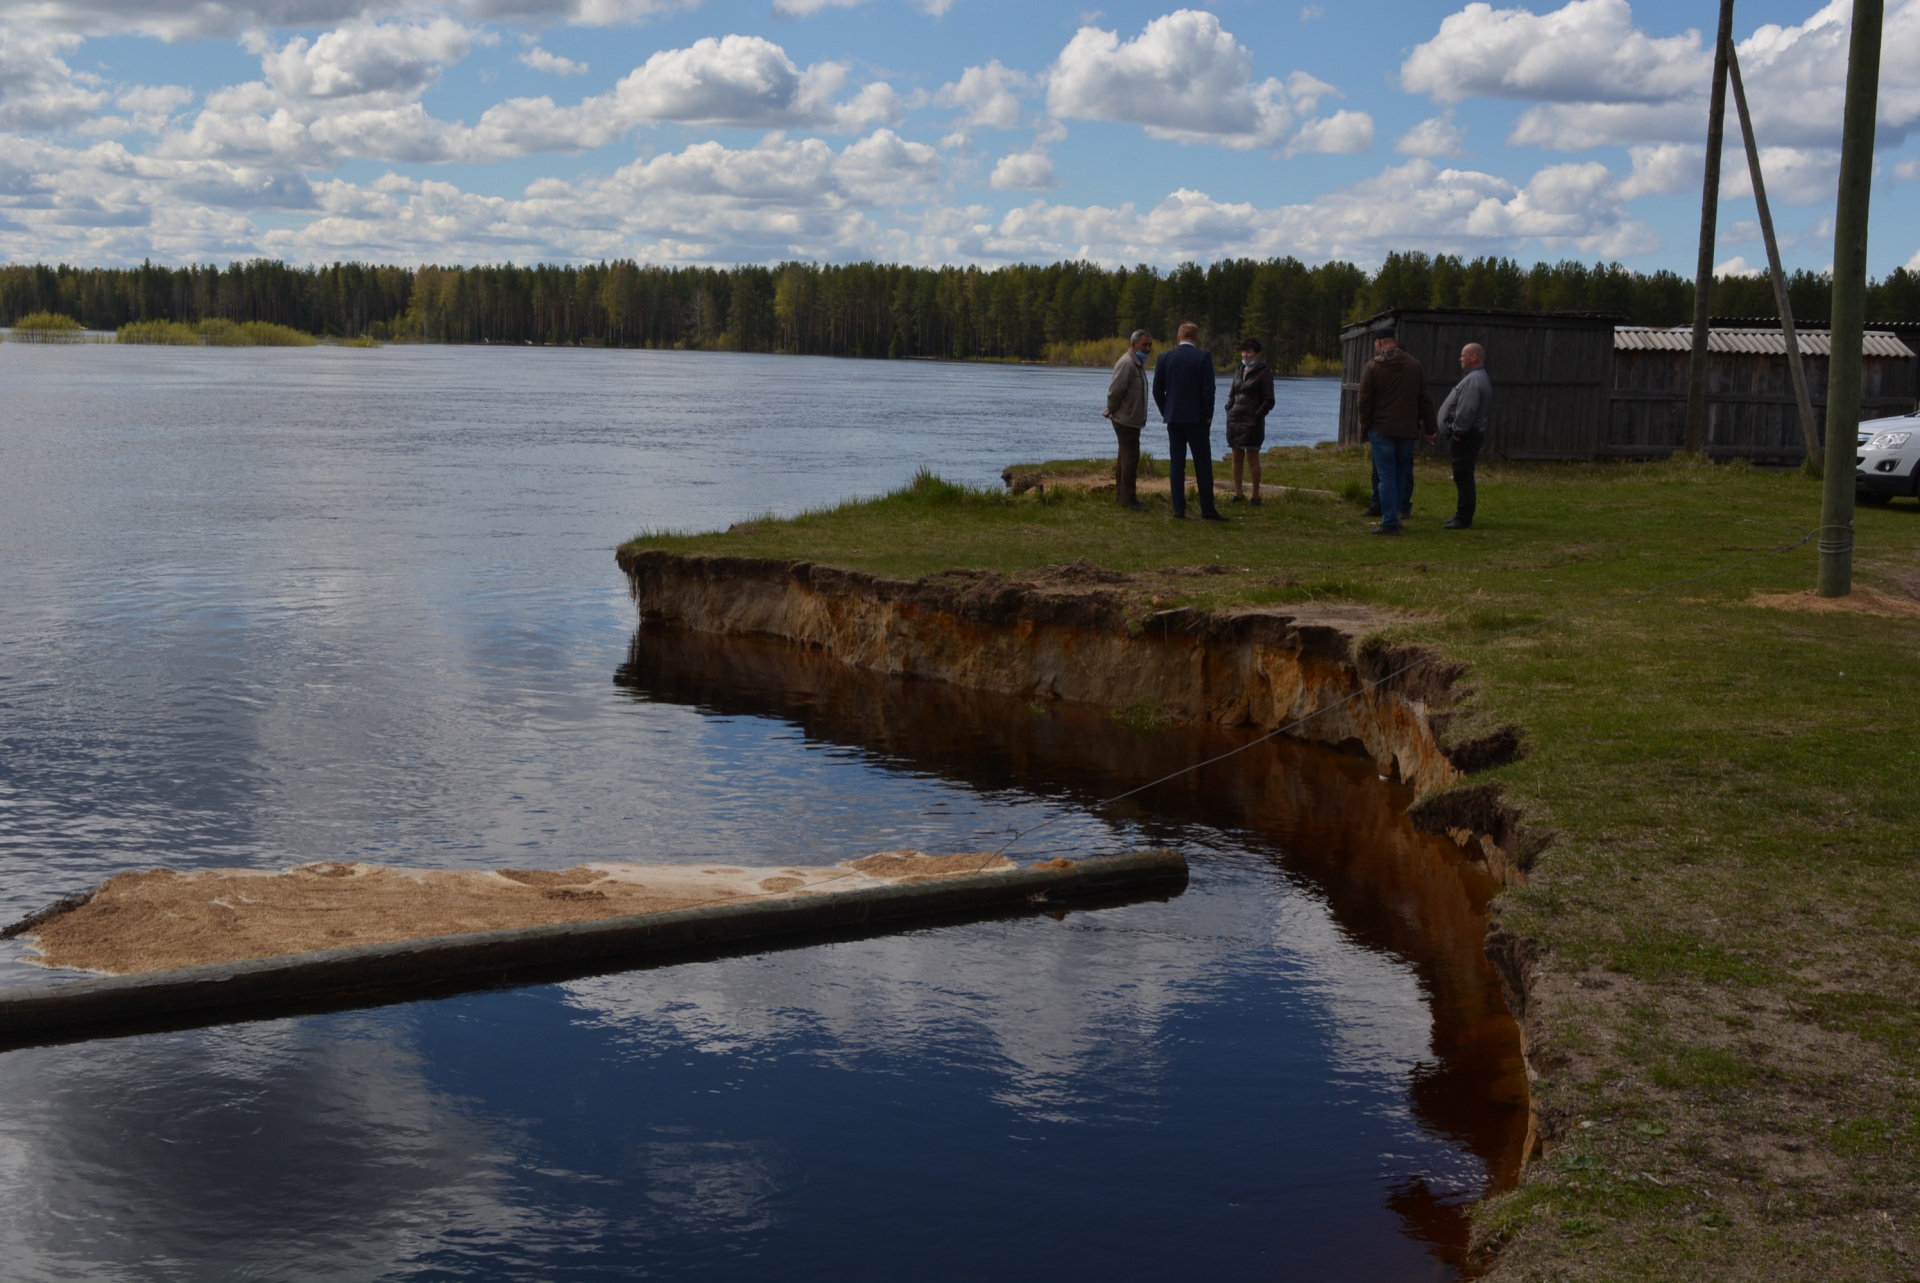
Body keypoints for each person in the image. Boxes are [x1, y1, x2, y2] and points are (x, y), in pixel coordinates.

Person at [1353, 326, 1436, 536]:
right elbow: (1425, 399)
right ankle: (1396, 515)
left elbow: (1363, 401)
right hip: (1407, 429)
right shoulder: (1414, 365)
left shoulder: (1372, 366)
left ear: (1379, 343)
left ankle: (1389, 521)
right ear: (1395, 342)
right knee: (1399, 474)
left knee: (1386, 476)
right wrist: (1431, 427)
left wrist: (1367, 424)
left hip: (1381, 429)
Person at [1151, 322, 1225, 521]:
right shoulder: (1203, 357)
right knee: (1202, 464)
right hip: (1197, 419)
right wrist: (1208, 414)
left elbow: (1157, 390)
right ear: (1196, 338)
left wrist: (1166, 410)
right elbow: (1209, 390)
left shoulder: (1164, 358)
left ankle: (1178, 508)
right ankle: (1207, 509)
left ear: (1178, 337)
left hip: (1174, 418)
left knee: (1177, 464)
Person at [1435, 342, 1491, 529]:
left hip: (1465, 437)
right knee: (1463, 475)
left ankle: (1463, 518)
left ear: (1474, 357)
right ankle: (1462, 516)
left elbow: (1467, 410)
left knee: (1463, 476)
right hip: (1467, 435)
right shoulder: (1475, 378)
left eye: (1463, 355)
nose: (1460, 358)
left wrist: (1457, 432)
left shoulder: (1474, 380)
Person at [1102, 330, 1153, 510]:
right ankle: (1129, 499)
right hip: (1125, 419)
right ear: (1134, 345)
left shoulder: (1136, 363)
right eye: (1144, 345)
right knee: (1131, 459)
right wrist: (1112, 409)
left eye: (1149, 345)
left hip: (1130, 419)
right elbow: (1115, 391)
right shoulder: (1127, 363)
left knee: (1124, 458)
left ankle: (1122, 495)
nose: (1148, 348)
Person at [1225, 338, 1275, 505]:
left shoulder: (1264, 373)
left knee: (1252, 458)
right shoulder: (1239, 370)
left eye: (1249, 352)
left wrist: (1257, 416)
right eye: (1244, 351)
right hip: (1234, 420)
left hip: (1252, 422)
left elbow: (1269, 400)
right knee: (1236, 457)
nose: (1246, 355)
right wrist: (1229, 406)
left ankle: (1255, 495)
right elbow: (1232, 392)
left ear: (1258, 354)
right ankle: (1238, 493)